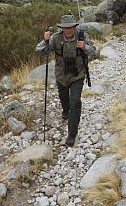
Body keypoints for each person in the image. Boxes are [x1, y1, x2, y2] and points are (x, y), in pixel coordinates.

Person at [36, 14, 95, 147]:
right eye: (65, 28)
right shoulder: (55, 38)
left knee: (75, 101)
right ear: (61, 28)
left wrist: (85, 47)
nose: (68, 30)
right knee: (63, 97)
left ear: (74, 27)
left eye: (71, 27)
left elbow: (93, 51)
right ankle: (65, 110)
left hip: (78, 75)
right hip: (61, 75)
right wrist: (45, 41)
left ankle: (71, 135)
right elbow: (39, 50)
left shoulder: (82, 36)